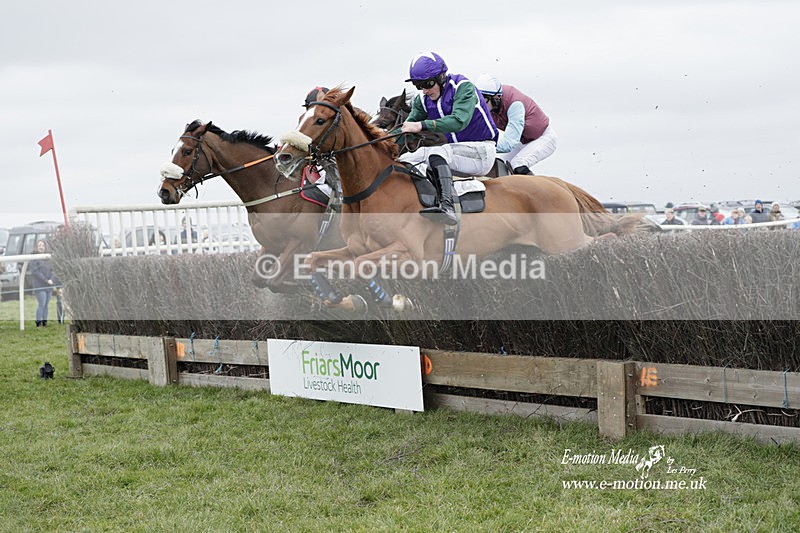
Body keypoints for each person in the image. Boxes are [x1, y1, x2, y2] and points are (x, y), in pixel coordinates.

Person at [399, 51, 499, 225]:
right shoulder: (422, 100)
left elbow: (459, 121)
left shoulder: (463, 87)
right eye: (418, 85)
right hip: (455, 154)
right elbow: (405, 129)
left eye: (428, 84)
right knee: (405, 159)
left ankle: (447, 207)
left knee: (437, 152)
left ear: (441, 77)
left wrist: (422, 125)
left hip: (481, 152)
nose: (425, 90)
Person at [474, 73, 557, 175]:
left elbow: (509, 144)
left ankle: (536, 186)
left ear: (496, 97)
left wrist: (483, 146)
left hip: (543, 138)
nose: (481, 104)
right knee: (499, 165)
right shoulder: (489, 106)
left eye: (483, 100)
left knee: (518, 164)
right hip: (522, 142)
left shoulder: (515, 105)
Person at [29, 240, 60, 327]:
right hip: (39, 285)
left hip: (48, 285)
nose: (41, 247)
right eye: (39, 245)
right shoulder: (33, 258)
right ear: (36, 247)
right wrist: (46, 280)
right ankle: (38, 323)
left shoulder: (48, 257)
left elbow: (53, 270)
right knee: (42, 303)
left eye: (43, 245)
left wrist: (52, 279)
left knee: (46, 304)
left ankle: (45, 322)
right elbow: (35, 272)